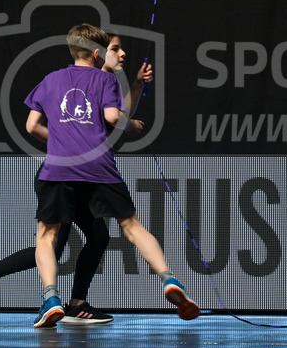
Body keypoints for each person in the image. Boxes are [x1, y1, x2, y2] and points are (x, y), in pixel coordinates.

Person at [0, 32, 152, 325]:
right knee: (54, 243)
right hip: (67, 175)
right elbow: (119, 119)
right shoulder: (97, 80)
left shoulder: (97, 82)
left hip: (79, 175)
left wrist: (136, 84)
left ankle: (72, 302)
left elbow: (116, 114)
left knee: (88, 238)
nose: (123, 53)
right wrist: (65, 145)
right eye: (115, 48)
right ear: (99, 54)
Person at [24, 22, 198, 327]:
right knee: (132, 227)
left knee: (46, 235)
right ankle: (170, 280)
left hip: (58, 168)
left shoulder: (50, 80)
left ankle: (51, 298)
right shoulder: (104, 81)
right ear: (95, 54)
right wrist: (132, 126)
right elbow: (112, 117)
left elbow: (31, 126)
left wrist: (62, 142)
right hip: (98, 167)